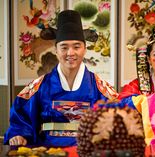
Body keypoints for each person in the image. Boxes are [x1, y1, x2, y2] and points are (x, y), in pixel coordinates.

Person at [4, 10, 118, 147]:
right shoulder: (40, 86)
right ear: (56, 50)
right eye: (64, 47)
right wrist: (19, 134)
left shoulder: (100, 88)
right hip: (48, 150)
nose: (70, 53)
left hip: (87, 151)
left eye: (77, 47)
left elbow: (118, 118)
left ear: (85, 49)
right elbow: (21, 117)